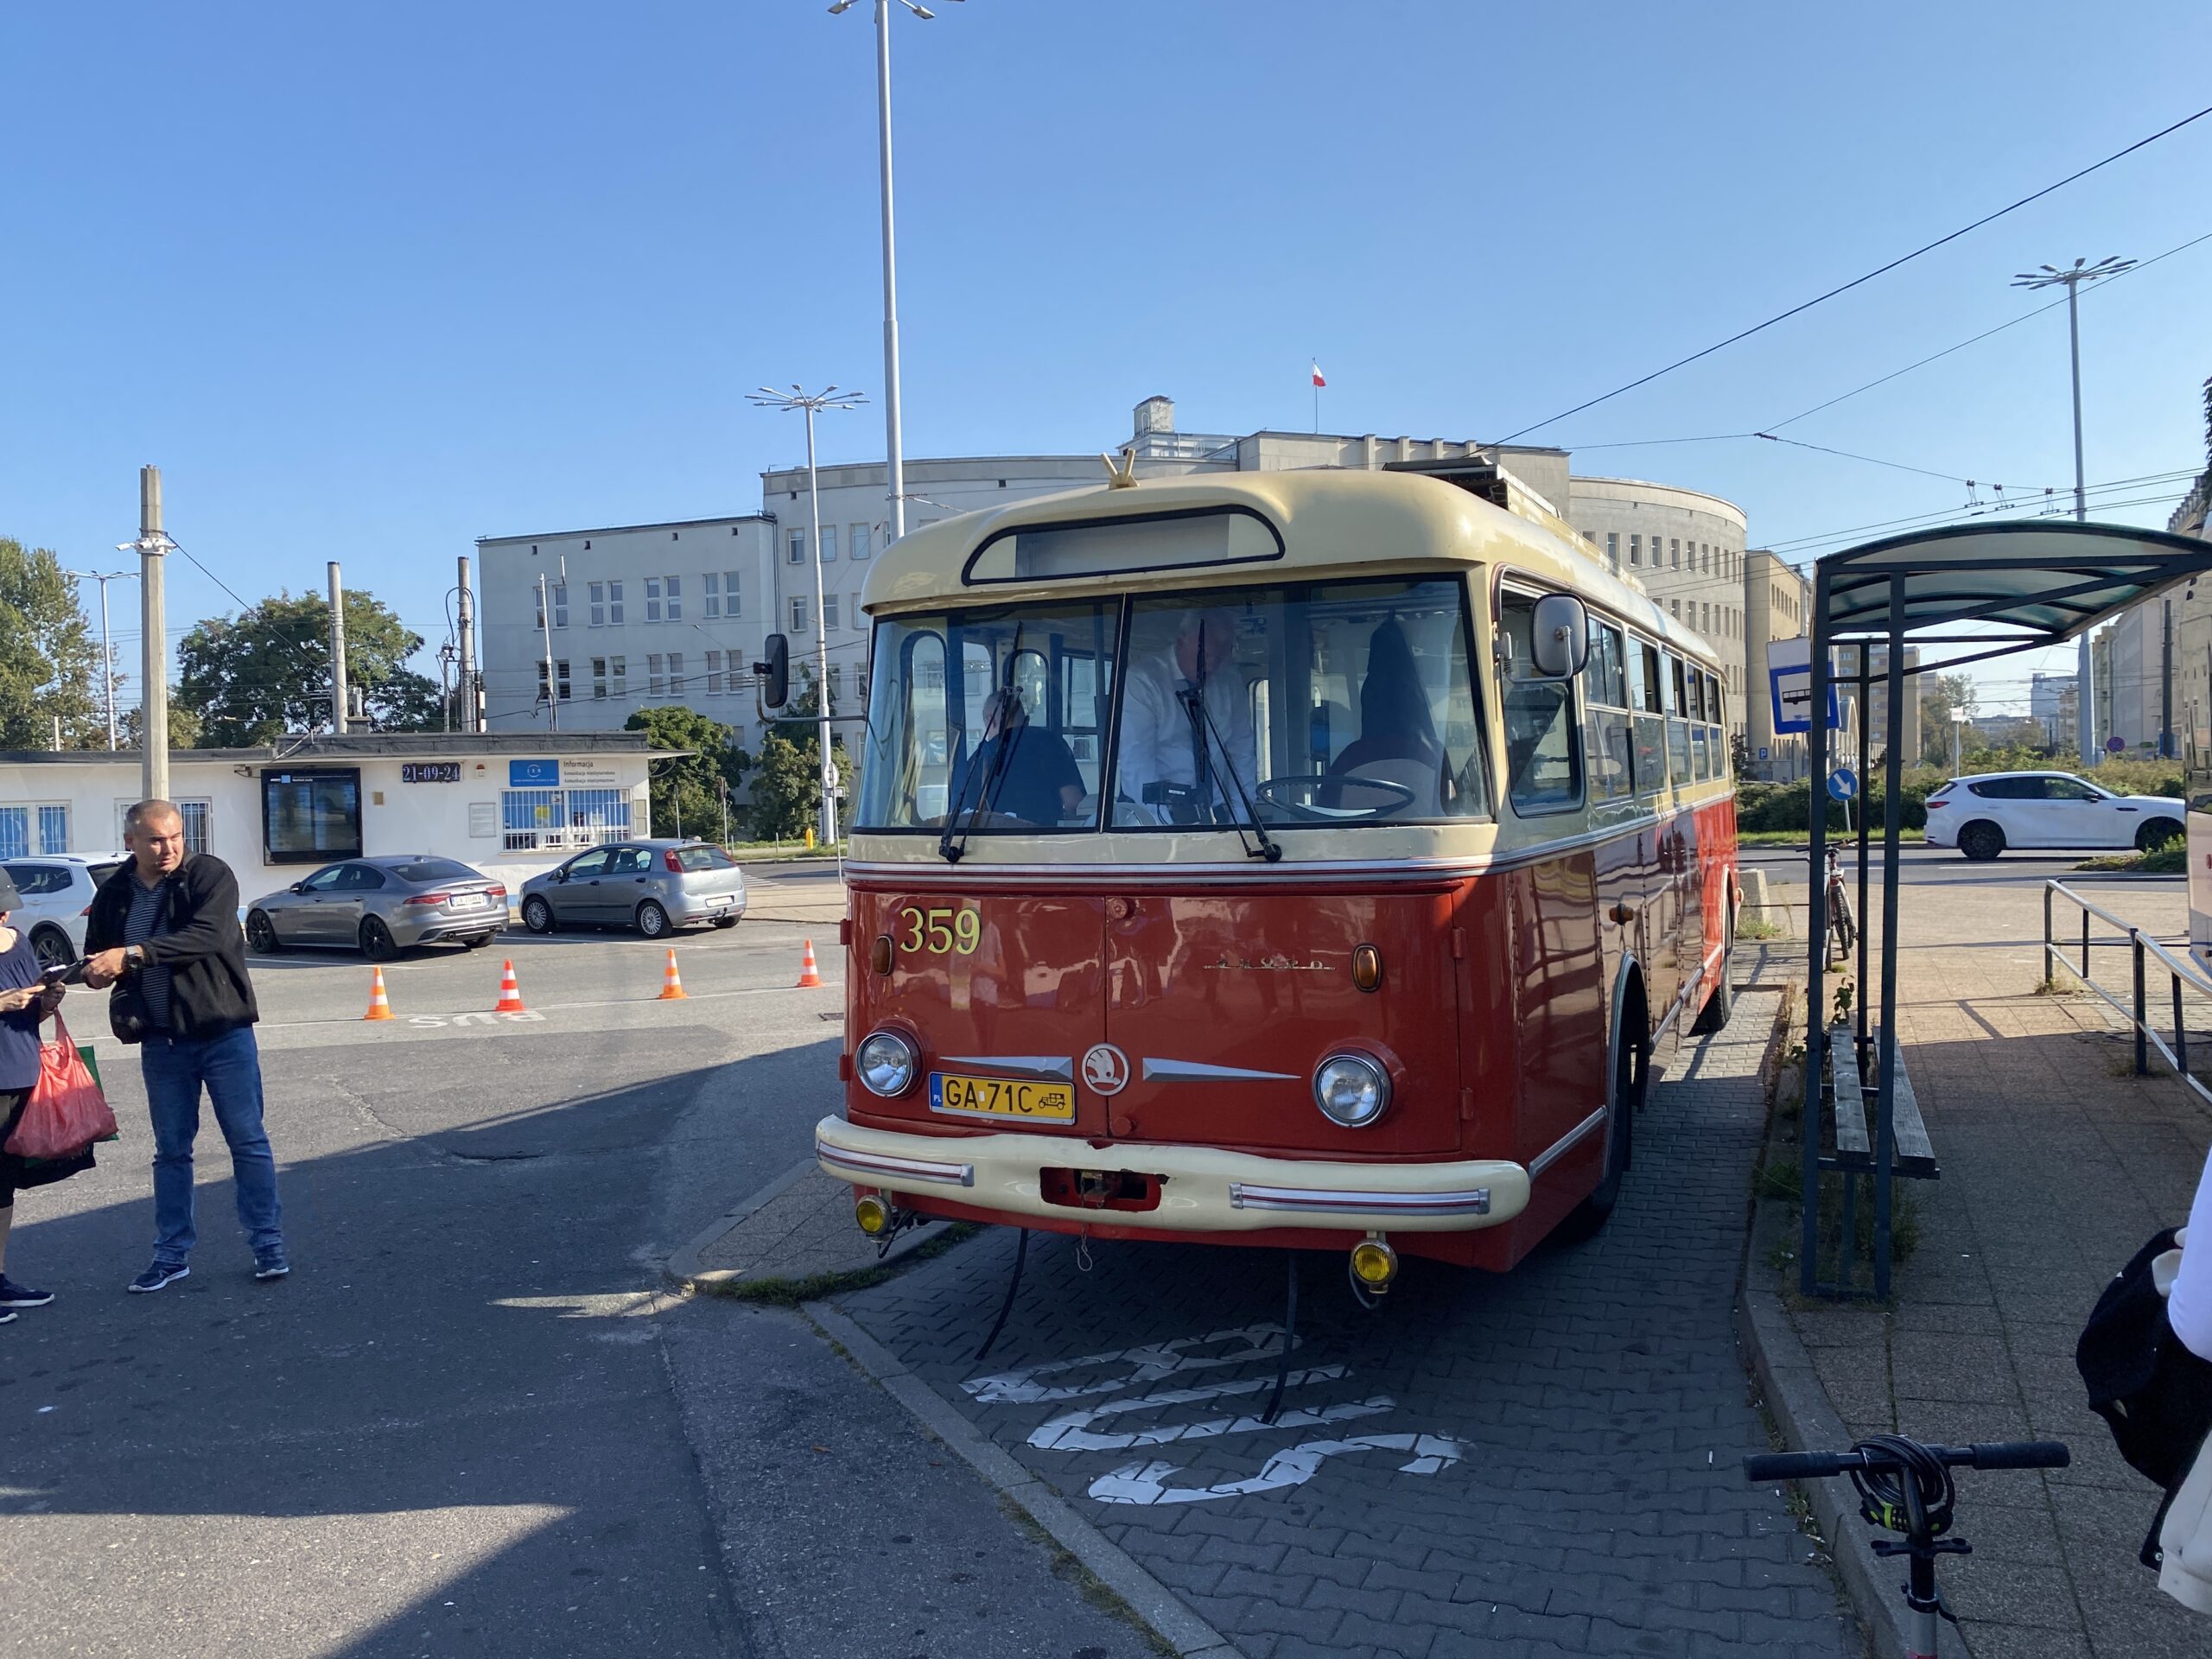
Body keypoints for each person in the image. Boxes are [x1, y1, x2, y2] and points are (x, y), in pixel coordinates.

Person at [83, 799, 287, 1292]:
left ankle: (268, 1244)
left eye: (175, 836)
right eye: (155, 839)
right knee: (171, 1151)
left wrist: (132, 954)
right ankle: (171, 1256)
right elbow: (98, 957)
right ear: (131, 842)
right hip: (161, 1042)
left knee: (248, 1141)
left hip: (224, 1033)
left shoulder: (209, 876)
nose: (169, 847)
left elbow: (209, 936)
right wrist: (92, 972)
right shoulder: (114, 893)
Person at [0, 870, 70, 1322]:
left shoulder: (19, 941)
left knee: (2, 1186)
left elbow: (32, 1014)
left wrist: (48, 999)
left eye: (6, 906)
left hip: (21, 1071)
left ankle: (0, 1277)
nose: (4, 915)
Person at [1115, 608, 1256, 824]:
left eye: (1220, 657)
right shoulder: (1143, 681)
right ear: (1181, 642)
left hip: (1213, 812)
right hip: (1155, 814)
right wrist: (1164, 829)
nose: (1211, 666)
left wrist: (1243, 818)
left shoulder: (1229, 681)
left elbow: (1241, 752)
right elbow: (1137, 762)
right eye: (1205, 655)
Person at [949, 688, 1084, 828]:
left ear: (990, 720)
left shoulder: (980, 759)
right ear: (1026, 720)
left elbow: (961, 816)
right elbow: (1073, 801)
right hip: (1047, 842)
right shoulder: (1052, 744)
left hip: (991, 845)